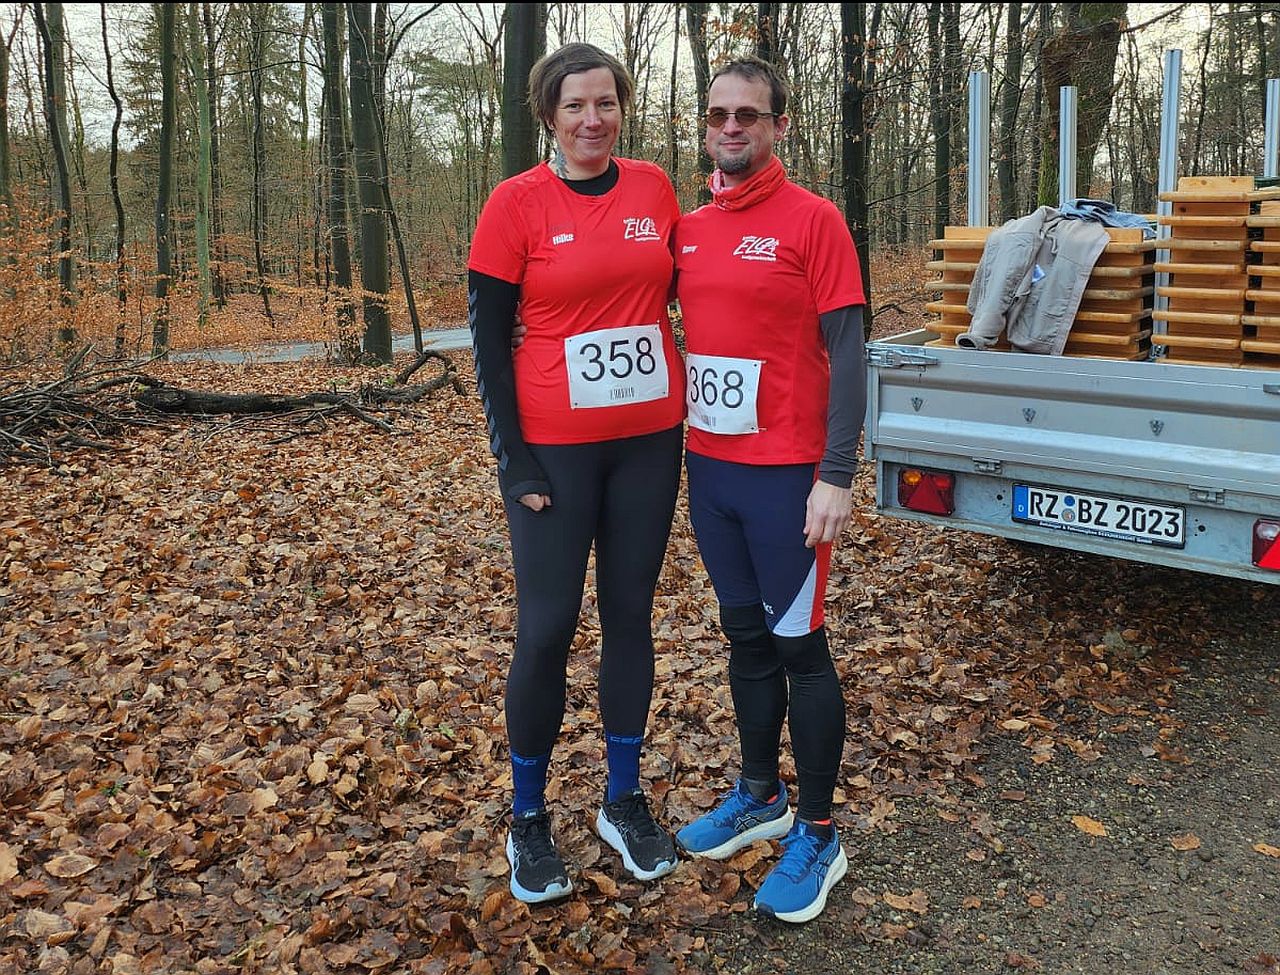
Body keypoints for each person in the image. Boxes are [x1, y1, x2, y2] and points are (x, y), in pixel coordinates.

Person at [467, 43, 686, 905]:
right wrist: (510, 455)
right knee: (549, 626)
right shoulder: (514, 203)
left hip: (649, 442)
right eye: (574, 107)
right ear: (548, 117)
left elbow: (693, 288)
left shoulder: (654, 189)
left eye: (605, 103)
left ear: (621, 107)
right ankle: (527, 814)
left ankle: (622, 799)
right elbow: (487, 338)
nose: (592, 120)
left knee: (630, 616)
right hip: (553, 451)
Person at [672, 57, 867, 924]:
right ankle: (761, 795)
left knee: (801, 649)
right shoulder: (689, 227)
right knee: (744, 636)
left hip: (789, 478)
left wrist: (836, 473)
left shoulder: (814, 221)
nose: (732, 126)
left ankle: (819, 831)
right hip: (709, 471)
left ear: (780, 125)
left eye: (749, 114)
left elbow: (851, 352)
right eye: (719, 114)